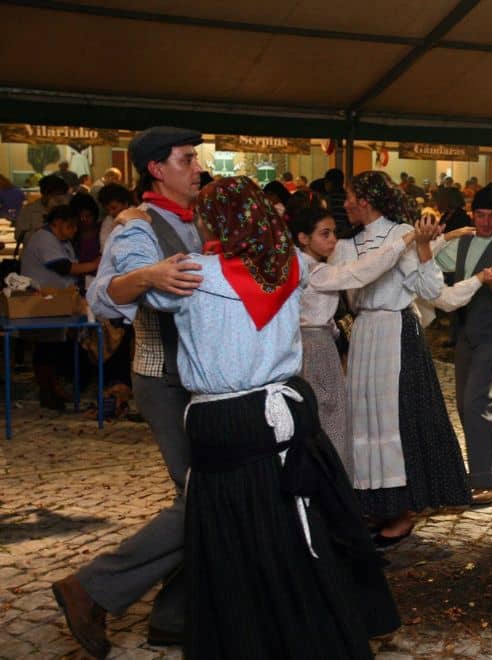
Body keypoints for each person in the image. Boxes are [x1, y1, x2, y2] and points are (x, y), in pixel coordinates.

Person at [136, 176, 400, 657]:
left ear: (212, 221)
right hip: (275, 414)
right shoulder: (289, 265)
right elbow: (350, 277)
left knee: (225, 539)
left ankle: (242, 635)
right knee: (289, 533)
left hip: (218, 422)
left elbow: (113, 296)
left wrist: (136, 248)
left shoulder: (189, 272)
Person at [55, 126, 206, 657]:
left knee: (201, 496)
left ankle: (174, 613)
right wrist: (147, 277)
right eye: (187, 160)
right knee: (206, 496)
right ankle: (91, 587)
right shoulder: (134, 225)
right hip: (163, 375)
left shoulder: (196, 221)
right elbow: (106, 293)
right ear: (157, 170)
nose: (197, 167)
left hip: (202, 377)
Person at [321, 171, 470, 544]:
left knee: (396, 419)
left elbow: (431, 289)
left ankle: (401, 510)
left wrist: (422, 250)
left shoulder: (400, 234)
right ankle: (376, 504)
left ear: (365, 201)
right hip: (365, 332)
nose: (345, 203)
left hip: (395, 332)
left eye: (350, 196)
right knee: (364, 420)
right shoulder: (348, 245)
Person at [435, 183, 492, 505]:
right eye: (480, 215)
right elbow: (427, 259)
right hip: (465, 331)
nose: (485, 223)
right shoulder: (462, 244)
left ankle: (487, 481)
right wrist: (443, 236)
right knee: (463, 404)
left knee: (477, 403)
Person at [19, 205, 100, 410]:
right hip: (42, 303)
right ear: (59, 223)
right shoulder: (44, 239)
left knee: (54, 347)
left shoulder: (61, 241)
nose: (74, 231)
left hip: (58, 301)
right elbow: (63, 267)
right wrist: (94, 264)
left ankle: (53, 389)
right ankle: (47, 391)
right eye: (71, 227)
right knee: (46, 347)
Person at [289, 207, 348, 472]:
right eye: (325, 234)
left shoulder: (308, 265)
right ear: (303, 237)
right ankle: (332, 478)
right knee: (327, 413)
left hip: (316, 342)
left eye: (334, 233)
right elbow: (362, 271)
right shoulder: (310, 269)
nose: (332, 239)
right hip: (314, 344)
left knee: (323, 411)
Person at [15, 174, 69, 249]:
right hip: (35, 256)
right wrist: (42, 234)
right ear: (45, 193)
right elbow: (19, 235)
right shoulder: (29, 210)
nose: (59, 198)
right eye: (56, 194)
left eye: (62, 195)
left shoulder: (66, 210)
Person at [96, 183, 134, 251]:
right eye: (107, 210)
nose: (111, 212)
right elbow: (104, 248)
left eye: (114, 208)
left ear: (125, 204)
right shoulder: (108, 221)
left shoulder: (137, 217)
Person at [323, 168, 354, 238]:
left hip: (332, 234)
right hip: (348, 233)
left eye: (326, 183)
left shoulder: (327, 199)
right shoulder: (348, 197)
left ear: (329, 183)